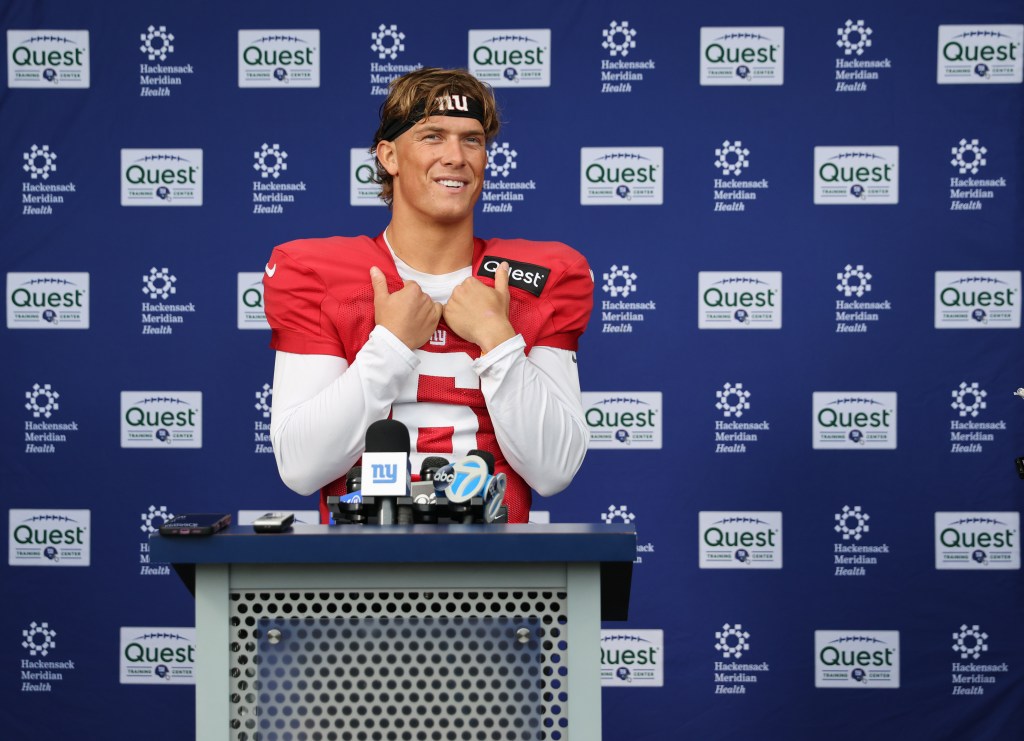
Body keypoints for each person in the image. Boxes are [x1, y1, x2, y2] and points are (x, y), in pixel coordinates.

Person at [262, 67, 593, 523]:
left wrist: (498, 342)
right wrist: (391, 346)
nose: (456, 156)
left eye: (472, 140)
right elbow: (301, 468)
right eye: (433, 136)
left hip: (503, 577)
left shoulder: (538, 277)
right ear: (389, 156)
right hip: (359, 575)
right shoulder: (318, 273)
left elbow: (554, 470)